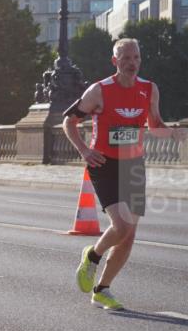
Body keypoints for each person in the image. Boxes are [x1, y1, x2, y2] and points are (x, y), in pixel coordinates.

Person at [67, 38, 187, 310]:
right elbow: (69, 121)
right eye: (125, 58)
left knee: (129, 235)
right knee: (120, 226)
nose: (131, 63)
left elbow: (154, 126)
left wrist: (173, 132)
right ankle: (92, 256)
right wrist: (84, 150)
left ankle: (102, 289)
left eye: (136, 58)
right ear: (115, 61)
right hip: (104, 163)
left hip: (133, 165)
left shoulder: (149, 89)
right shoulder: (99, 90)